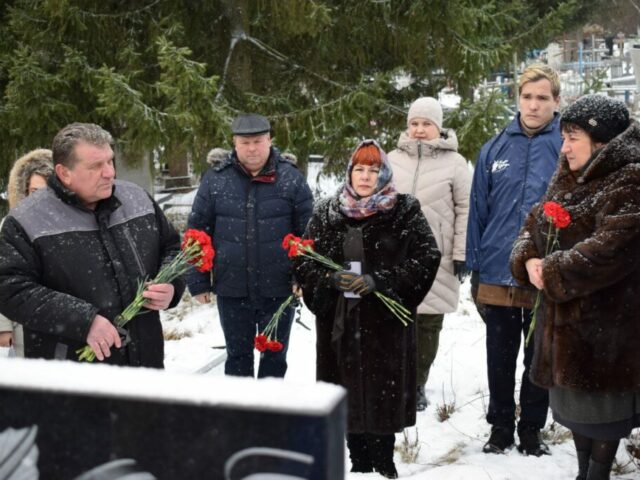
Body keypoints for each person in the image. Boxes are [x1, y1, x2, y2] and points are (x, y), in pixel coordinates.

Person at [294, 140, 441, 478]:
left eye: (373, 170)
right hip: (339, 325)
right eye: (359, 169)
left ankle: (384, 463)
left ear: (384, 174)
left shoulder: (403, 211)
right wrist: (330, 279)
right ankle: (358, 463)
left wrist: (381, 282)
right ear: (349, 172)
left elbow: (425, 257)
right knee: (344, 390)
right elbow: (303, 259)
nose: (365, 176)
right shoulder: (327, 212)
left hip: (384, 325)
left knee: (381, 395)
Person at [511, 95, 640, 480]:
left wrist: (549, 271)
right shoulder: (568, 172)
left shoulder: (631, 180)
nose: (563, 146)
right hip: (564, 331)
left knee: (602, 420)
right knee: (578, 418)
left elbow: (610, 251)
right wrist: (528, 258)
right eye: (564, 137)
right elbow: (533, 224)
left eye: (573, 137)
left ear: (601, 142)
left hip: (607, 333)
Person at [0, 123, 185, 366]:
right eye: (96, 166)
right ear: (64, 173)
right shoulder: (27, 220)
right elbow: (10, 289)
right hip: (72, 374)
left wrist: (170, 286)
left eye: (110, 161)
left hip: (144, 366)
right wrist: (84, 321)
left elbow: (172, 248)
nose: (109, 172)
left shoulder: (137, 199)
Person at [466, 63, 562, 455]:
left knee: (539, 356)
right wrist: (474, 266)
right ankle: (501, 426)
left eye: (542, 98)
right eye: (527, 97)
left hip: (545, 272)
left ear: (557, 102)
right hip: (495, 268)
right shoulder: (494, 148)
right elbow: (478, 211)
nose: (534, 105)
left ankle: (532, 429)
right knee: (499, 355)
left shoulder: (565, 147)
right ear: (517, 99)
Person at [187, 113, 313, 378]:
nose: (252, 148)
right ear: (234, 143)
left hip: (278, 289)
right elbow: (198, 231)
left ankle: (269, 415)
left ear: (269, 140)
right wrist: (198, 280)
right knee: (237, 357)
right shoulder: (216, 179)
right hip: (232, 288)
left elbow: (307, 233)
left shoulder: (291, 178)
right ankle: (240, 416)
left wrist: (303, 275)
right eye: (245, 142)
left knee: (275, 358)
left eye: (257, 141)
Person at [388, 96, 471, 411]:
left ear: (438, 127)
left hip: (437, 254)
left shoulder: (455, 163)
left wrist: (461, 253)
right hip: (395, 255)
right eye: (414, 123)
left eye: (426, 124)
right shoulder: (391, 159)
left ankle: (417, 382)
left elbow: (465, 210)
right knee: (396, 318)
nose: (420, 130)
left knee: (427, 322)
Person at [0, 149, 54, 357]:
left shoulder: (72, 225)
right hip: (23, 323)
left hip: (66, 324)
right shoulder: (10, 227)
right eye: (34, 191)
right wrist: (3, 326)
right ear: (24, 190)